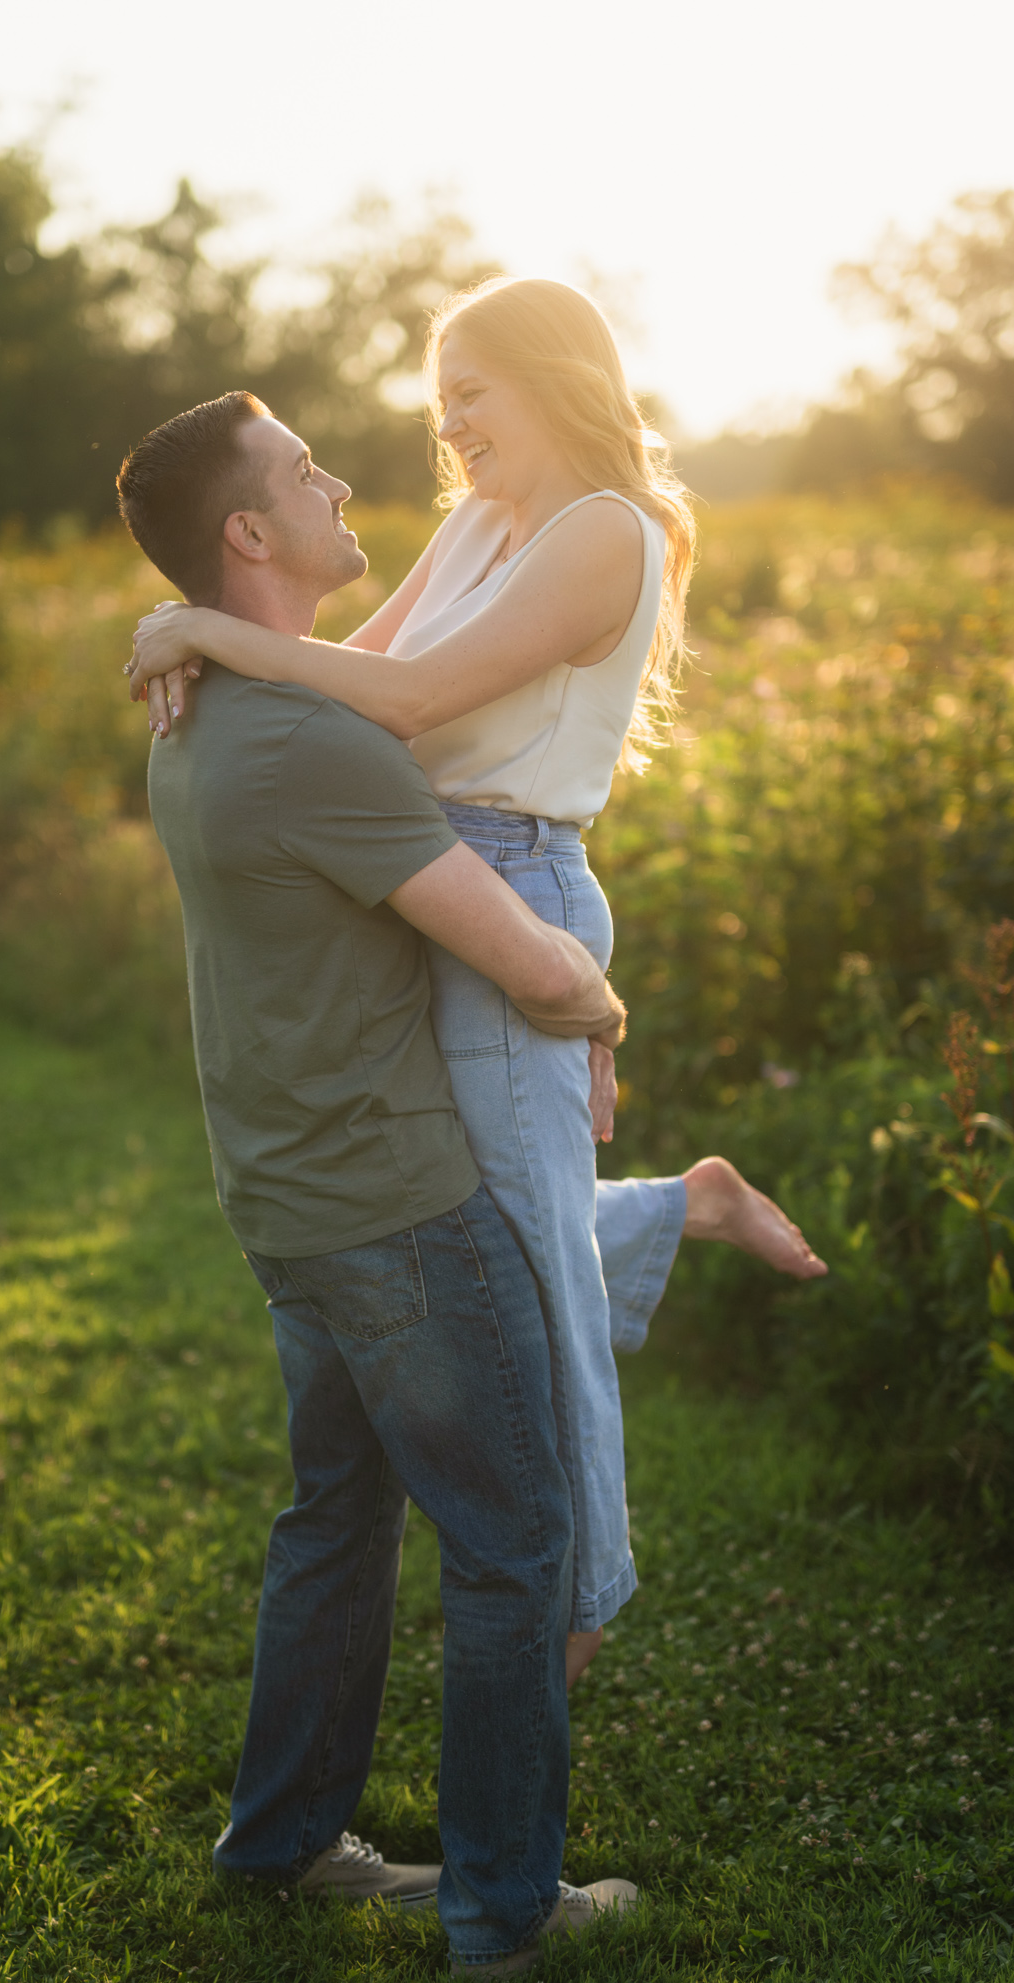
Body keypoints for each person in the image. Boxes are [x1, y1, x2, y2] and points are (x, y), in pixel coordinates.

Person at [126, 278, 828, 1691]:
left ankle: (580, 1586)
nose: (447, 422)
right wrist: (205, 636)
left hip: (510, 883)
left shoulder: (605, 532)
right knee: (483, 1219)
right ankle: (685, 1203)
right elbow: (349, 671)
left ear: (557, 378)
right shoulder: (476, 523)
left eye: (472, 390)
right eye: (438, 395)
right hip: (430, 887)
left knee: (531, 1270)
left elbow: (409, 703)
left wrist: (195, 629)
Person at [117, 389, 637, 1979]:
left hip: (283, 1195)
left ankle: (280, 1842)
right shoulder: (314, 742)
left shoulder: (202, 709)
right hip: (395, 1207)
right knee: (512, 1542)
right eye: (301, 469)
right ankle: (502, 1913)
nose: (344, 476)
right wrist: (604, 1008)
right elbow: (526, 971)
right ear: (249, 535)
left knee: (334, 1522)